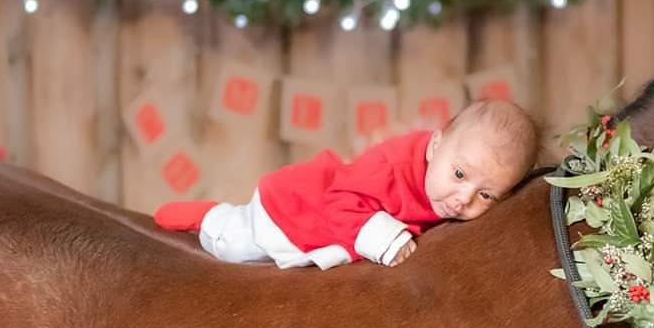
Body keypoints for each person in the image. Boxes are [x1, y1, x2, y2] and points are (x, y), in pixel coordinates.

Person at [153, 98, 541, 269]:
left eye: (485, 195)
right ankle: (209, 217)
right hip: (300, 206)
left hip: (334, 225)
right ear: (436, 145)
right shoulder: (389, 166)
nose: (463, 199)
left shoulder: (445, 191)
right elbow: (342, 202)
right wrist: (384, 239)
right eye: (459, 175)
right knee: (239, 247)